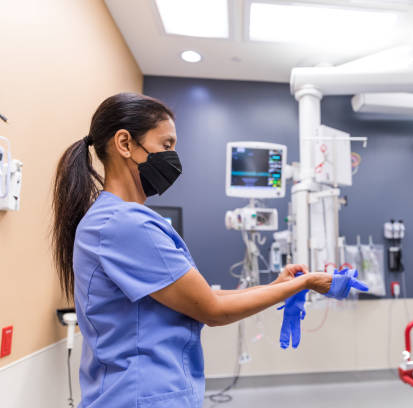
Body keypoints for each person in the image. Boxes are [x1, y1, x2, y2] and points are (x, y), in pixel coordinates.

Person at [50, 92, 343, 408]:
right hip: (141, 395)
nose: (173, 157)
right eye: (166, 145)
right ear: (125, 144)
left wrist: (279, 287)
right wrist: (306, 283)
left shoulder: (112, 220)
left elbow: (205, 298)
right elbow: (213, 312)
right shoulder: (124, 224)